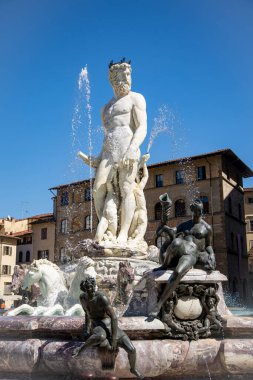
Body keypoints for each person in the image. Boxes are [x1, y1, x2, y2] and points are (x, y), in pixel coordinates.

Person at [79, 59, 147, 243]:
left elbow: (142, 127)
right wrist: (98, 157)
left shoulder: (136, 98)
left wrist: (133, 148)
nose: (126, 79)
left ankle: (123, 233)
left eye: (128, 75)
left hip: (128, 149)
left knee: (126, 189)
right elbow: (107, 136)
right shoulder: (105, 109)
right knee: (97, 190)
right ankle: (108, 228)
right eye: (121, 76)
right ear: (112, 80)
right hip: (109, 153)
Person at [149, 198, 216, 318]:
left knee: (178, 272)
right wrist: (164, 220)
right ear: (192, 211)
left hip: (191, 254)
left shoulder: (207, 228)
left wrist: (212, 255)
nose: (198, 214)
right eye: (196, 211)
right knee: (176, 242)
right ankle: (164, 265)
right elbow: (168, 232)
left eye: (200, 211)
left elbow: (209, 246)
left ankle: (159, 304)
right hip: (180, 248)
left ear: (202, 211)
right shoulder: (185, 225)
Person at [72, 276, 143, 379]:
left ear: (94, 286)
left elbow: (114, 317)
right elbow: (87, 314)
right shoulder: (83, 298)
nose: (90, 289)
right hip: (97, 324)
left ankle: (133, 368)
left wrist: (114, 339)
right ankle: (80, 349)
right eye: (87, 288)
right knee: (100, 336)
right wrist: (87, 329)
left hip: (110, 324)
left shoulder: (102, 298)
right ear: (84, 289)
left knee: (132, 350)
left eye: (91, 287)